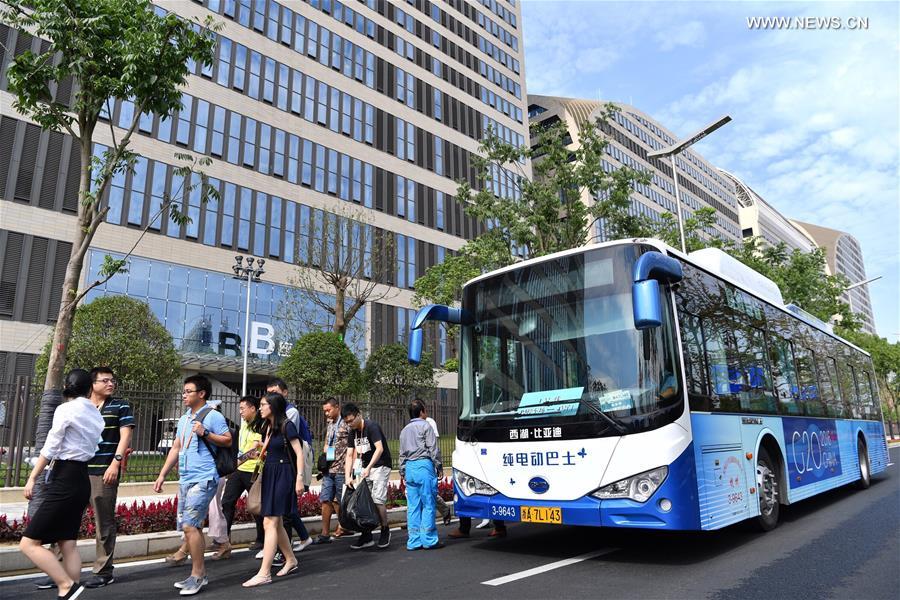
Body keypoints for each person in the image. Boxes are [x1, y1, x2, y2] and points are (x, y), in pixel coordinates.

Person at [20, 369, 104, 600]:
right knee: (68, 543)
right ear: (89, 389)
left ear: (67, 386)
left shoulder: (65, 409)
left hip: (65, 478)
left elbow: (51, 446)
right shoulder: (97, 414)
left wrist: (32, 477)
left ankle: (66, 586)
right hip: (81, 479)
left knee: (28, 544)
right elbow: (93, 447)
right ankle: (72, 590)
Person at [154, 375, 231, 596]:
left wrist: (205, 433)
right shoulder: (184, 419)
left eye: (188, 391)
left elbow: (227, 440)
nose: (184, 395)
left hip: (204, 477)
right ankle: (197, 574)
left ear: (201, 394)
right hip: (186, 478)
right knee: (191, 528)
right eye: (184, 391)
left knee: (189, 525)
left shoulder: (213, 415)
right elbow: (176, 448)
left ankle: (198, 575)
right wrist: (162, 475)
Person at [242, 392, 305, 587]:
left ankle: (264, 572)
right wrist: (260, 450)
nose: (259, 408)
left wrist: (299, 479)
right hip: (269, 473)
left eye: (263, 405)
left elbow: (299, 452)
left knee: (269, 522)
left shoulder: (287, 425)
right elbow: (272, 449)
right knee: (275, 524)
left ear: (273, 406)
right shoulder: (268, 427)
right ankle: (291, 559)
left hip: (283, 474)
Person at [82, 367, 135, 589]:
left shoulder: (120, 405)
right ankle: (59, 566)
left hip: (103, 471)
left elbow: (126, 434)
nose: (111, 384)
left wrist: (115, 462)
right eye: (105, 380)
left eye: (112, 380)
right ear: (92, 384)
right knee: (65, 519)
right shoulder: (81, 407)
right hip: (77, 472)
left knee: (104, 521)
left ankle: (103, 570)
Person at [265, 378, 313, 556]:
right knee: (282, 511)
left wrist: (299, 477)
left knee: (282, 511)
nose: (271, 398)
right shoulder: (272, 420)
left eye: (275, 393)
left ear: (285, 393)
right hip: (277, 467)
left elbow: (296, 450)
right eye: (268, 394)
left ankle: (282, 550)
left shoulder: (288, 416)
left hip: (288, 467)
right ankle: (290, 546)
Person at [342, 402, 393, 549]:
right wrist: (348, 476)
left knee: (377, 500)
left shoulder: (372, 427)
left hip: (380, 465)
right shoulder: (353, 432)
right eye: (347, 422)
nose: (350, 424)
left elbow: (379, 449)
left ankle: (385, 529)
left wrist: (369, 467)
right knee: (364, 502)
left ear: (359, 415)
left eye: (351, 420)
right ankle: (366, 535)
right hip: (364, 468)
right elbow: (350, 455)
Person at [221, 396, 265, 553]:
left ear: (253, 408)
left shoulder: (261, 425)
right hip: (238, 470)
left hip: (254, 471)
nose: (240, 412)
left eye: (242, 408)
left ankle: (262, 539)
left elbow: (253, 452)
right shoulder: (244, 425)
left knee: (256, 506)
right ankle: (223, 540)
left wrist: (235, 464)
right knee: (227, 502)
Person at [399, 399, 443, 551]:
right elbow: (433, 449)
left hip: (410, 468)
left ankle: (414, 540)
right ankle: (429, 539)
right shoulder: (426, 426)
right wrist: (439, 466)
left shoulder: (404, 430)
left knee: (413, 506)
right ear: (422, 411)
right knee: (428, 503)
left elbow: (402, 454)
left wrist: (402, 471)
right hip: (424, 466)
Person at [314, 396, 349, 543]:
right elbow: (329, 442)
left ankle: (345, 525)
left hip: (342, 468)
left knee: (341, 501)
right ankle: (325, 533)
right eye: (325, 411)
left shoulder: (346, 423)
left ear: (337, 408)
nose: (326, 413)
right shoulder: (330, 424)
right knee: (326, 499)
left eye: (328, 410)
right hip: (329, 469)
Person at [421, 404, 451, 526]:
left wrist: (438, 465)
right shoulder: (413, 424)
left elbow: (434, 446)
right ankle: (420, 521)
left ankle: (445, 510)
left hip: (429, 462)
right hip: (418, 463)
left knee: (430, 492)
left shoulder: (430, 422)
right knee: (419, 492)